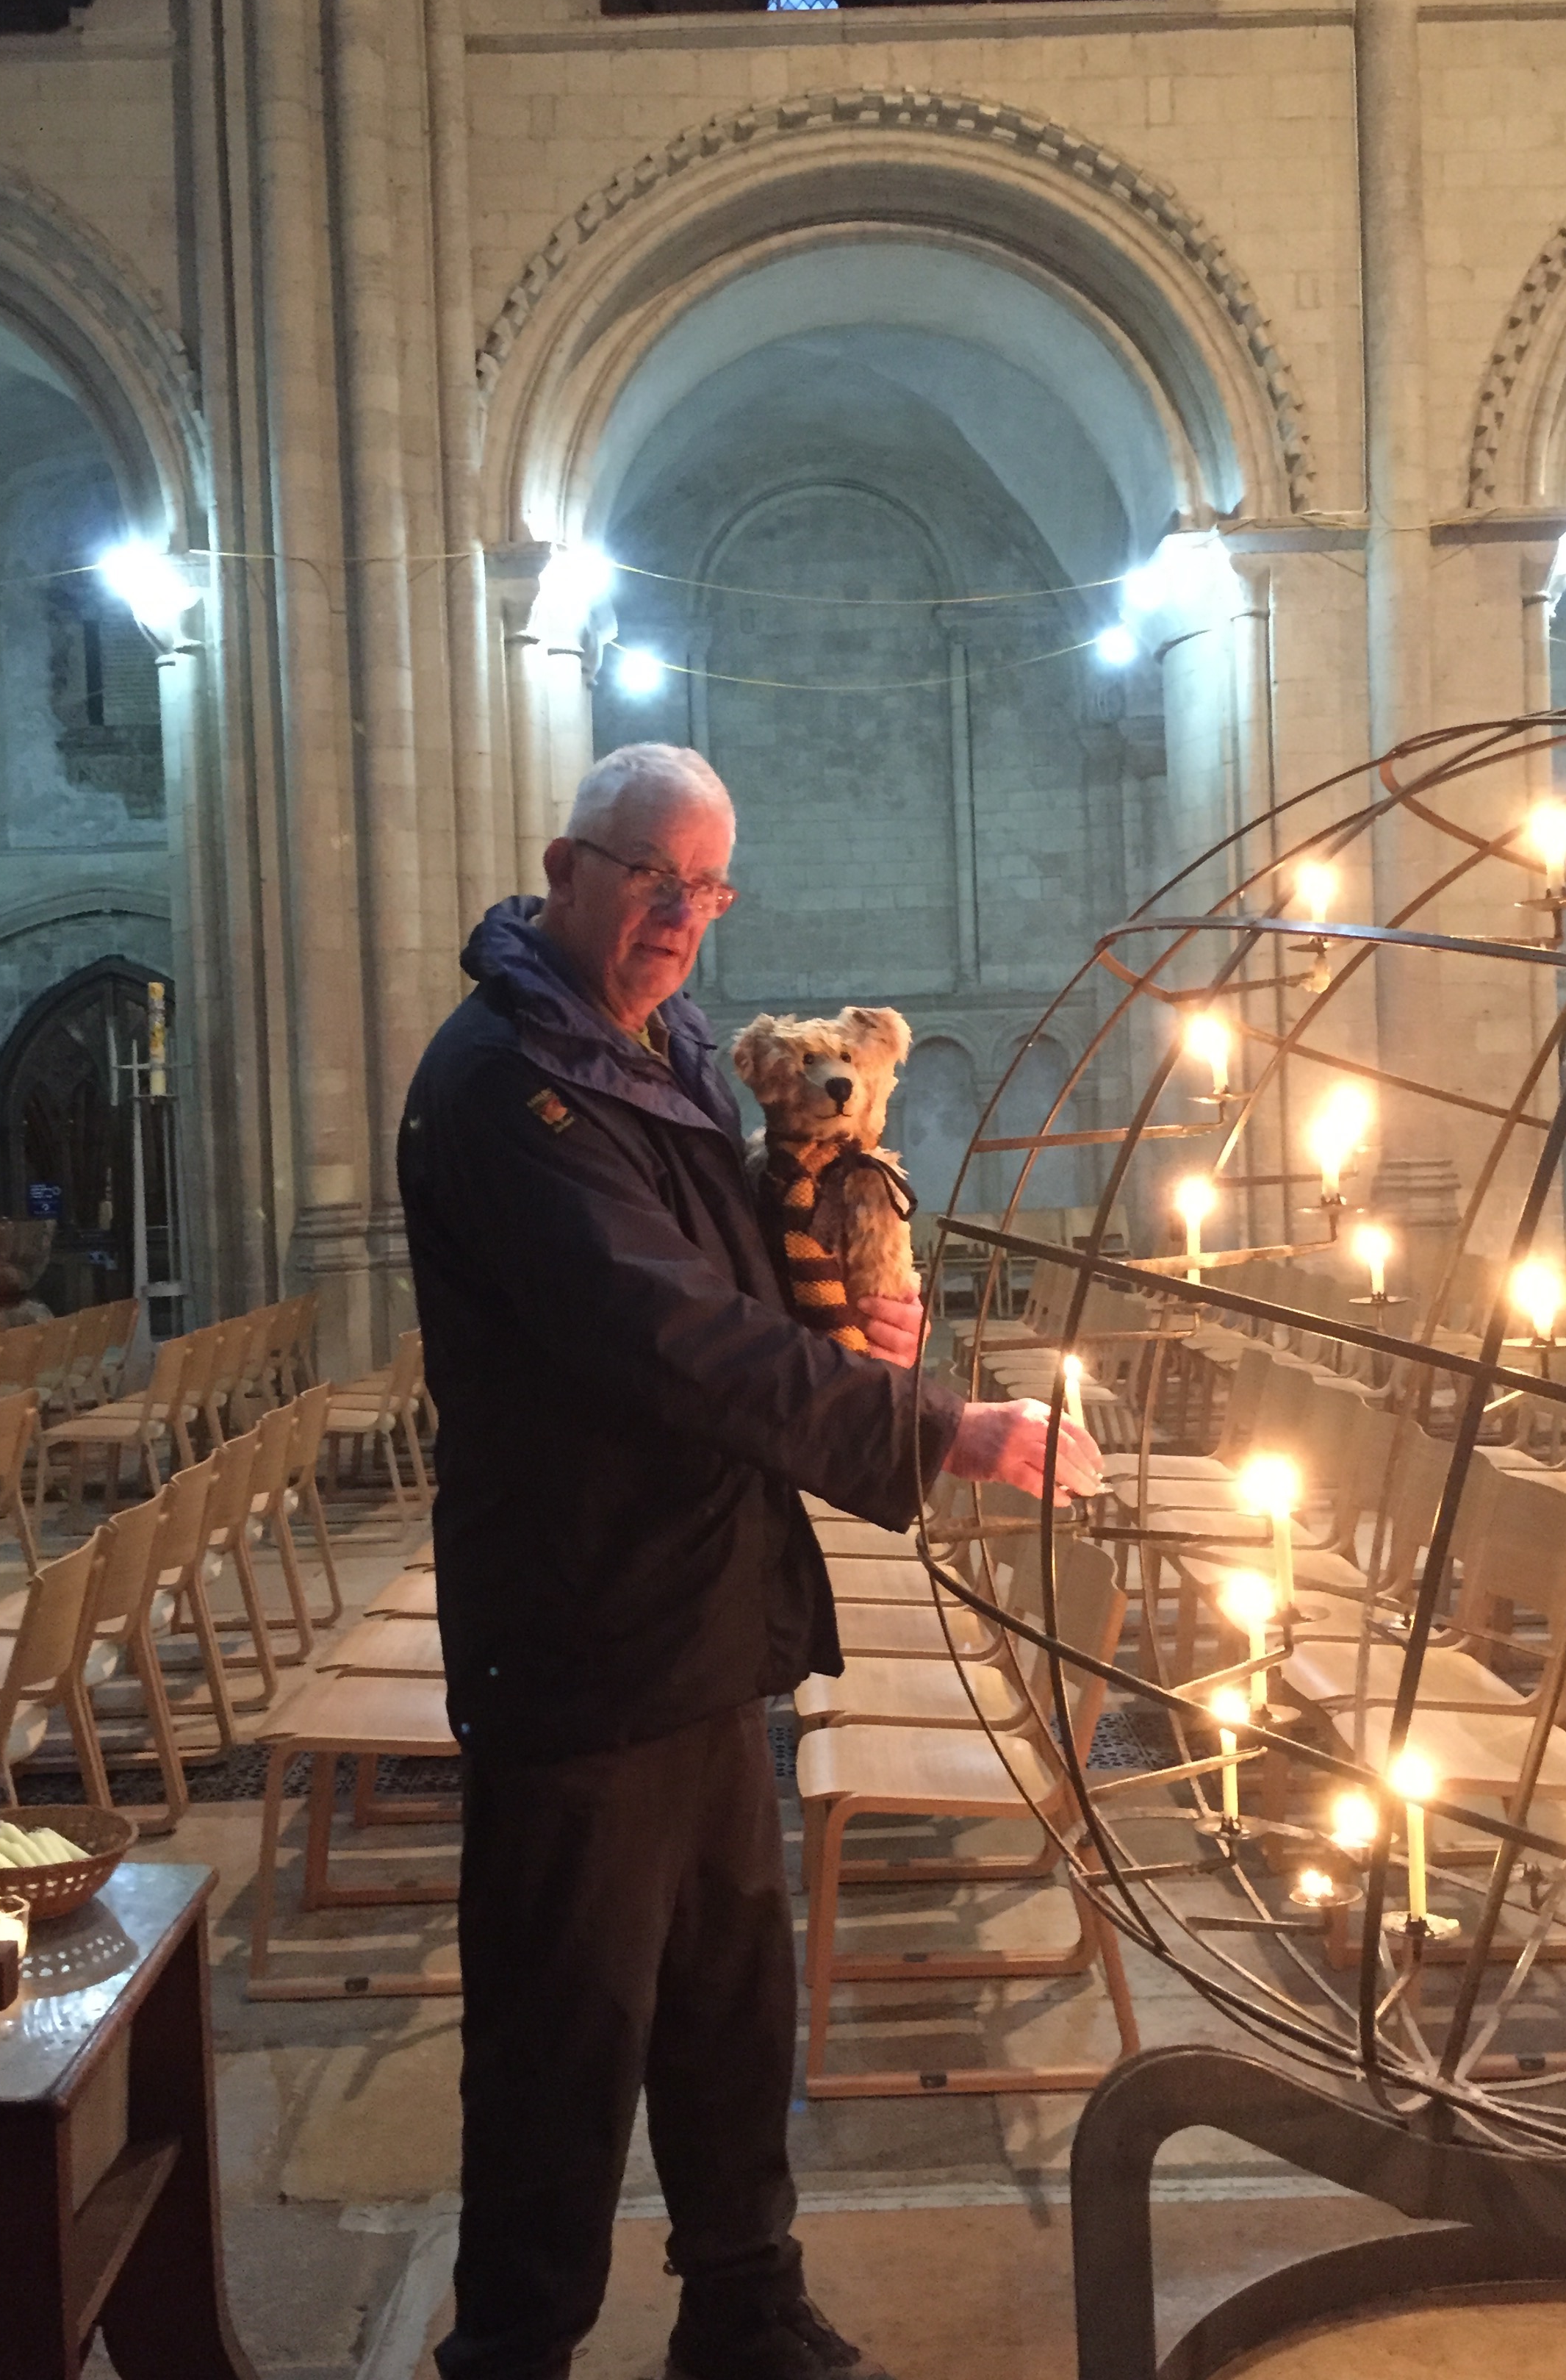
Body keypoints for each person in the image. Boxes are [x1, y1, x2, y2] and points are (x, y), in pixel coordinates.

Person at [398, 742, 1102, 2380]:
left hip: (698, 1610)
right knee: (564, 2038)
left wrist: (858, 1335)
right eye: (653, 876)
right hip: (581, 1629)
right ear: (569, 866)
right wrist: (928, 1427)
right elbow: (662, 1337)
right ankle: (513, 2350)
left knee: (726, 2004)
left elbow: (736, 1301)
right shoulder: (512, 1083)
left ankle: (742, 2305)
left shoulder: (649, 1057)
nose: (680, 917)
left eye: (708, 888)